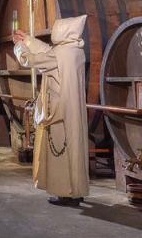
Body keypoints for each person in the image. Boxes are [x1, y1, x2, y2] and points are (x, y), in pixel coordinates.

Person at [12, 15, 89, 206]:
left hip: (58, 113)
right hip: (73, 112)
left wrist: (20, 47)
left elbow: (31, 60)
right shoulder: (75, 50)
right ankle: (76, 189)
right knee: (75, 150)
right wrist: (28, 39)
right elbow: (48, 51)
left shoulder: (61, 54)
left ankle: (66, 193)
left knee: (61, 155)